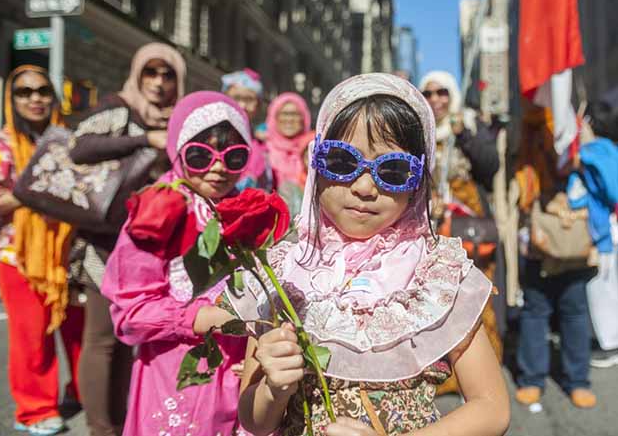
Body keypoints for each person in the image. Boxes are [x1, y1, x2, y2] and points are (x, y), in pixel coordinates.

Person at [232, 74, 510, 436]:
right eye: (343, 162)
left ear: (418, 184)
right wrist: (274, 389)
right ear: (317, 162)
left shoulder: (436, 275)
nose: (364, 187)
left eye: (392, 170)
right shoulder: (284, 272)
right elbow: (254, 420)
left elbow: (492, 408)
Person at [101, 91, 254, 436]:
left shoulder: (247, 209)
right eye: (201, 155)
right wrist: (203, 318)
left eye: (234, 156)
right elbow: (130, 312)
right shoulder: (159, 210)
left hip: (239, 374)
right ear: (178, 149)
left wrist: (259, 348)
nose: (218, 167)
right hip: (177, 374)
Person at [69, 42, 186, 436]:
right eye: (150, 72)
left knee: (127, 337)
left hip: (152, 247)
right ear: (137, 74)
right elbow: (79, 146)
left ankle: (117, 423)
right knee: (102, 338)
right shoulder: (119, 107)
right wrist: (144, 138)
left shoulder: (181, 118)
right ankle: (101, 428)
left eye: (167, 74)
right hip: (104, 242)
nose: (158, 82)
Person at [0, 65, 83, 435]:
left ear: (53, 96)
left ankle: (84, 392)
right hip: (19, 257)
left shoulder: (71, 140)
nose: (35, 98)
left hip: (74, 254)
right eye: (24, 92)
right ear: (12, 99)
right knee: (32, 339)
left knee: (84, 335)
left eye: (42, 91)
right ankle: (35, 410)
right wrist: (28, 192)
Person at [418, 70, 503, 394]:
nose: (436, 99)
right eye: (428, 93)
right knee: (436, 296)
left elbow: (490, 165)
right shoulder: (416, 129)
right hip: (432, 223)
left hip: (469, 224)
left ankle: (482, 372)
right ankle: (443, 372)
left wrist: (463, 134)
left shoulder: (466, 123)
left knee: (476, 294)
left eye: (442, 92)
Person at [514, 102, 597, 409]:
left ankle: (578, 380)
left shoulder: (578, 130)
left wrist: (574, 136)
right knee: (535, 310)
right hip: (538, 237)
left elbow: (595, 169)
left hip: (575, 237)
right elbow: (515, 171)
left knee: (574, 310)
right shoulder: (527, 131)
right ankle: (532, 378)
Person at [222, 68, 274, 191]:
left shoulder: (261, 140)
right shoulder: (213, 134)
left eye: (249, 99)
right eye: (236, 98)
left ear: (259, 105)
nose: (242, 105)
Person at [266, 92, 312, 216]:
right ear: (274, 116)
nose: (289, 119)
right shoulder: (263, 150)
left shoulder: (311, 149)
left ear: (304, 118)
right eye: (284, 113)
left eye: (295, 114)